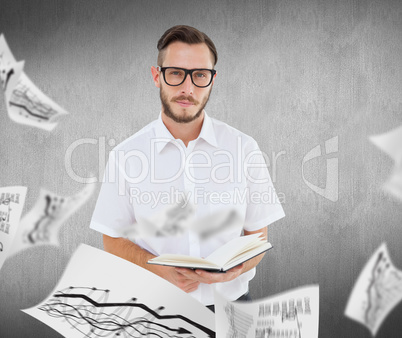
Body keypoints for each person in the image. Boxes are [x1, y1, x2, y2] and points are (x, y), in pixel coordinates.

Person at [90, 25, 285, 309]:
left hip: (232, 307)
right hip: (155, 311)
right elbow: (113, 239)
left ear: (212, 79)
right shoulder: (126, 155)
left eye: (200, 75)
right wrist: (159, 269)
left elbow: (258, 236)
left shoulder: (243, 148)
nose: (187, 88)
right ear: (157, 76)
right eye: (176, 73)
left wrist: (238, 268)